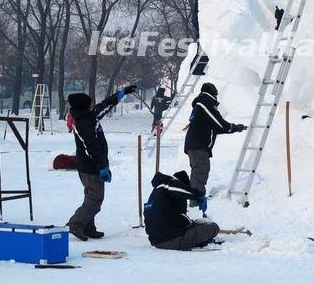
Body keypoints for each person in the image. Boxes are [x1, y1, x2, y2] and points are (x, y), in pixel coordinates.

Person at [66, 85, 137, 241]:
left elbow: (105, 105)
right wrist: (102, 167)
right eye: (90, 103)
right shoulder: (84, 123)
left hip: (91, 165)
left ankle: (88, 227)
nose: (93, 105)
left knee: (90, 196)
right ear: (84, 105)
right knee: (96, 198)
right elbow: (91, 148)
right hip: (89, 166)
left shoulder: (89, 116)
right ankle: (76, 224)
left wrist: (121, 94)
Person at [184, 83, 246, 202]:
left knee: (197, 173)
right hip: (199, 144)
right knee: (200, 172)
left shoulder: (201, 103)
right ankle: (197, 202)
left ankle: (195, 199)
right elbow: (220, 124)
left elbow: (214, 127)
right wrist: (235, 127)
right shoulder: (206, 102)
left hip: (195, 144)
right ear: (214, 93)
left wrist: (235, 128)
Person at [144, 170, 219, 251]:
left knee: (197, 227)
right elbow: (179, 189)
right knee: (213, 227)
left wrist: (190, 223)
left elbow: (172, 218)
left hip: (156, 241)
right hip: (170, 239)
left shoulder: (156, 194)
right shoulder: (169, 184)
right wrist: (197, 195)